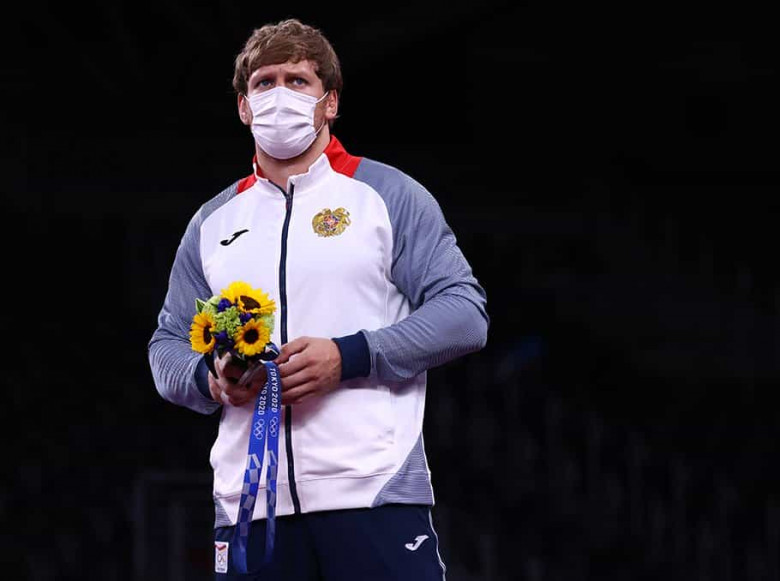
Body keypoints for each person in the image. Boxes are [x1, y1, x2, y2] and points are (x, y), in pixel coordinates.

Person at [148, 17, 489, 580]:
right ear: (244, 107)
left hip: (372, 493)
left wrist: (348, 356)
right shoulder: (213, 223)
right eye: (264, 82)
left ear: (329, 102)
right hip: (249, 504)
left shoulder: (387, 196)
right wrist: (210, 377)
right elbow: (165, 346)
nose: (279, 95)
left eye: (298, 81)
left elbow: (464, 314)